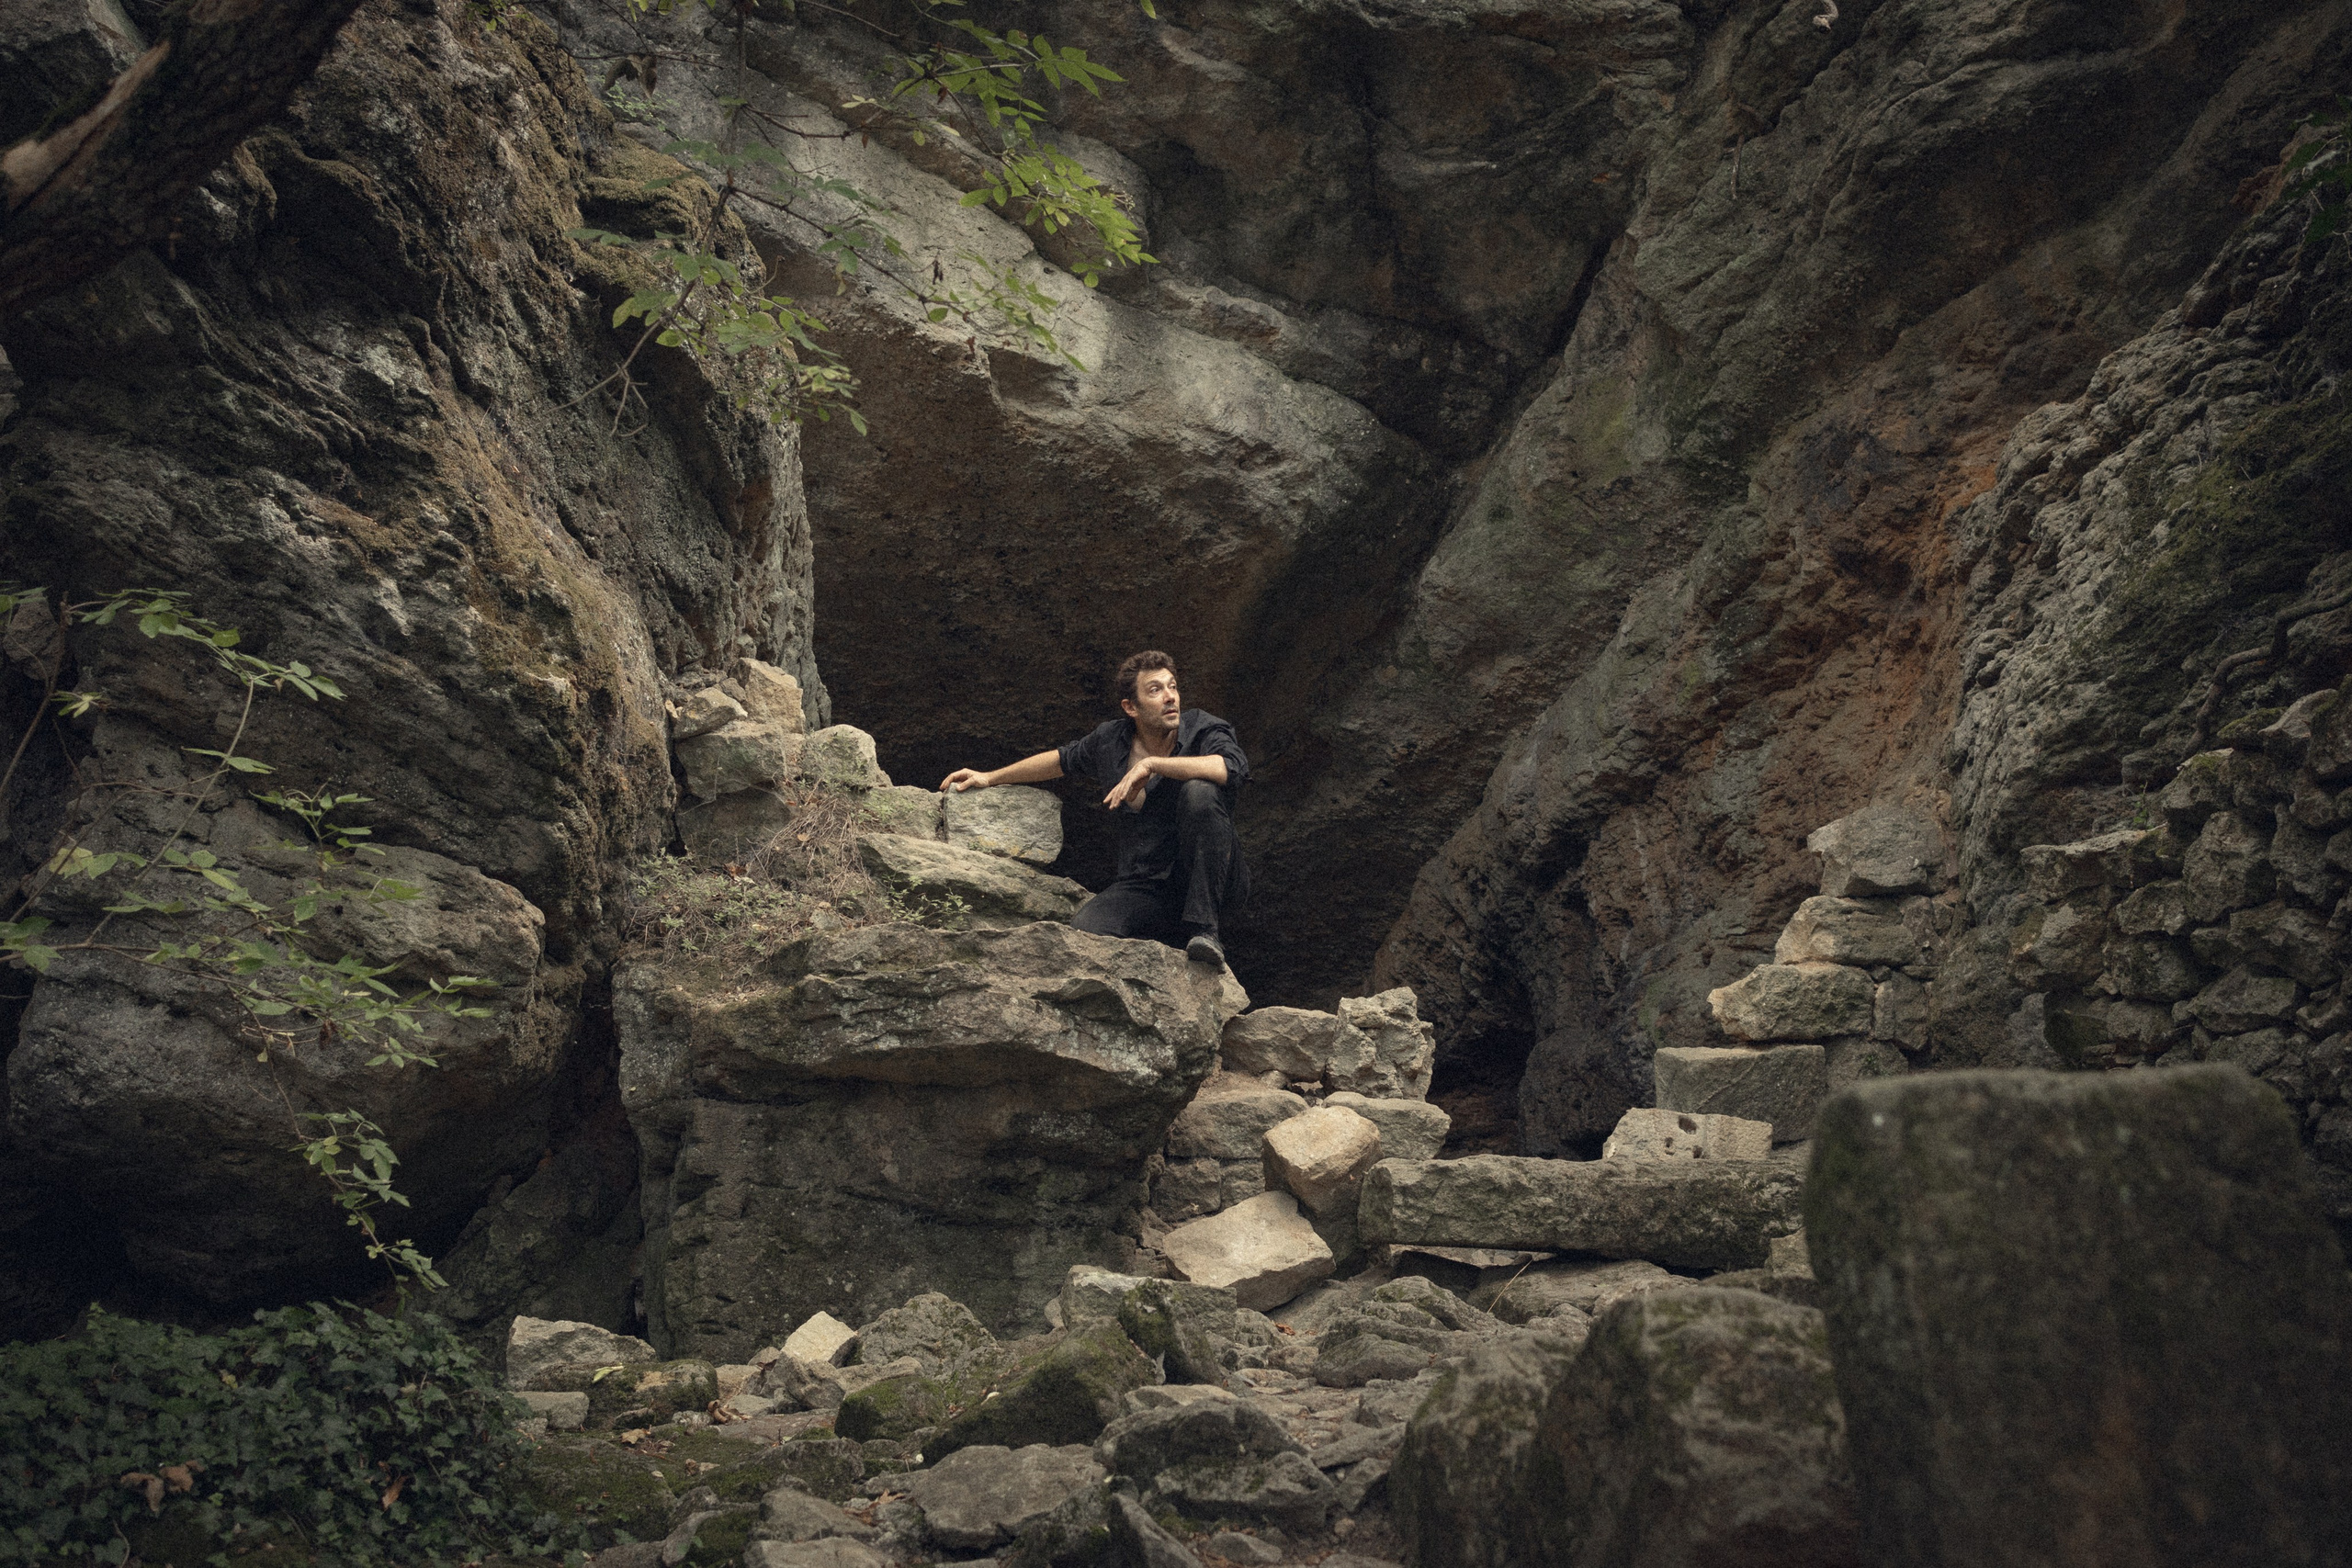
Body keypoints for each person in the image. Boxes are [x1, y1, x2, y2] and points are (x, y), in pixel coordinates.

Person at [941, 650, 1250, 970]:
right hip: (1147, 883)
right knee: (1086, 933)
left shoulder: (1203, 728)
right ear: (1131, 707)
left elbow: (1231, 767)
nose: (1170, 697)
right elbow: (1060, 760)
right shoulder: (1110, 740)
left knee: (1200, 790)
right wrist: (990, 777)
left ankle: (1204, 931)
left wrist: (1153, 765)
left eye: (1173, 687)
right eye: (1155, 690)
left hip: (1213, 879)